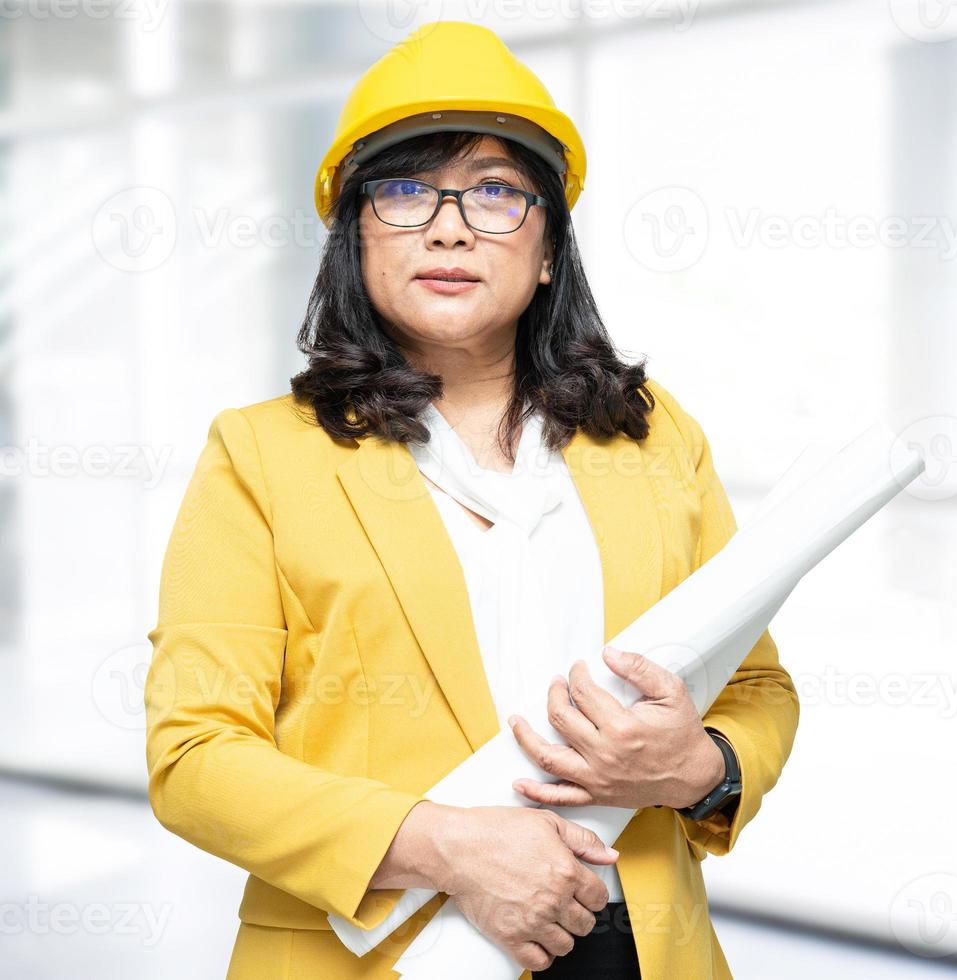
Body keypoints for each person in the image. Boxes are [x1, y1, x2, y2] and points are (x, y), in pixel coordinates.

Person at [143, 21, 799, 980]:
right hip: (380, 956)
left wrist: (699, 768)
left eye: (495, 192)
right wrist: (442, 843)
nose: (450, 225)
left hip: (633, 949)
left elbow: (756, 690)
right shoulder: (260, 456)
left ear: (546, 254)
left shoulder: (655, 439)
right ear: (354, 240)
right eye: (406, 191)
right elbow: (195, 756)